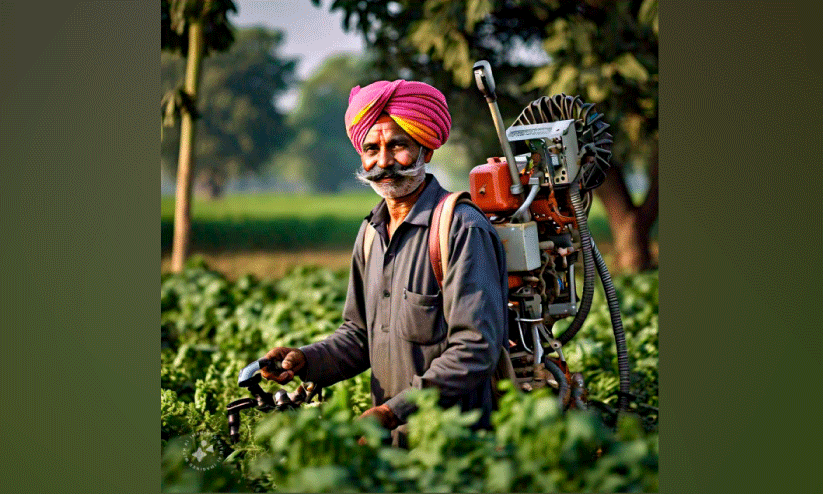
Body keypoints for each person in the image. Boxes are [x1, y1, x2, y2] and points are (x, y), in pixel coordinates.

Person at [261, 79, 509, 446]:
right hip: (390, 449)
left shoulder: (460, 228)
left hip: (455, 445)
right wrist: (305, 360)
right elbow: (359, 335)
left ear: (427, 149)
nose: (383, 162)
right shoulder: (370, 233)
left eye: (398, 146)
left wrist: (394, 412)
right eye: (371, 149)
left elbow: (475, 348)